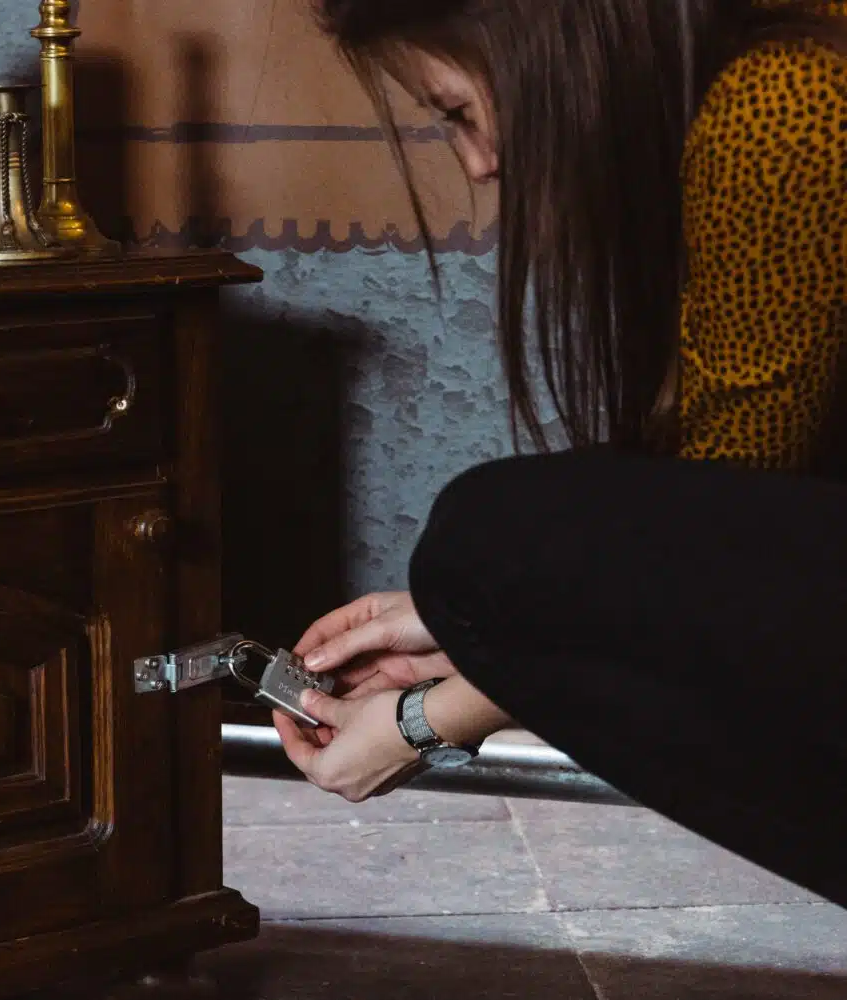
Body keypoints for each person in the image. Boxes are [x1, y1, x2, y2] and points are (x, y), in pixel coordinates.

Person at [272, 0, 847, 912]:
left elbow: (704, 542)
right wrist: (459, 629)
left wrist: (428, 714)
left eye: (458, 112)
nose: (478, 163)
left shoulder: (786, 98)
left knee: (487, 536)